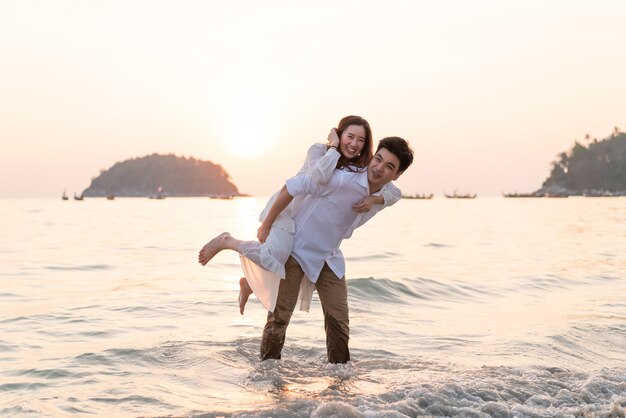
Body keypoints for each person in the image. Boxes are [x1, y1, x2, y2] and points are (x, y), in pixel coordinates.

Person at [198, 116, 401, 315]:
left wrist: (375, 200)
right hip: (285, 210)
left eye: (361, 140)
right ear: (339, 135)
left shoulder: (356, 169)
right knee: (277, 254)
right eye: (350, 136)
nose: (354, 144)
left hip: (302, 221)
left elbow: (395, 193)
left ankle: (249, 284)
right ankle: (227, 241)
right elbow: (319, 176)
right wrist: (332, 146)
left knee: (279, 262)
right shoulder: (319, 150)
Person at [257, 136, 414, 363]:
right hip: (297, 250)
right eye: (378, 159)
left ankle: (340, 379)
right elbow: (291, 186)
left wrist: (374, 200)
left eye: (389, 166)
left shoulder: (388, 192)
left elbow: (395, 194)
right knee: (279, 318)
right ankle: (267, 372)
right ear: (372, 156)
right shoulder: (341, 179)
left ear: (397, 175)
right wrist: (267, 223)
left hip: (328, 256)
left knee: (339, 321)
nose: (379, 168)